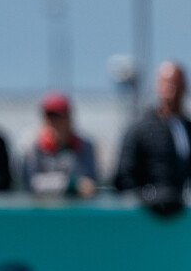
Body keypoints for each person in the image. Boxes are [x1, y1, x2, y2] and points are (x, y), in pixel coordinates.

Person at [114, 60, 191, 215]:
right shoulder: (140, 128)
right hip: (150, 217)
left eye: (177, 82)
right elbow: (124, 177)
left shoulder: (187, 127)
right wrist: (148, 197)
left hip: (184, 218)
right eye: (167, 83)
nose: (172, 88)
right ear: (157, 85)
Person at [21, 91, 97, 198]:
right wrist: (71, 183)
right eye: (49, 116)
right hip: (42, 209)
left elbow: (89, 181)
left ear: (69, 118)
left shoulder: (85, 145)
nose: (53, 122)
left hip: (76, 208)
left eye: (58, 116)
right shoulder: (33, 145)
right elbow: (32, 182)